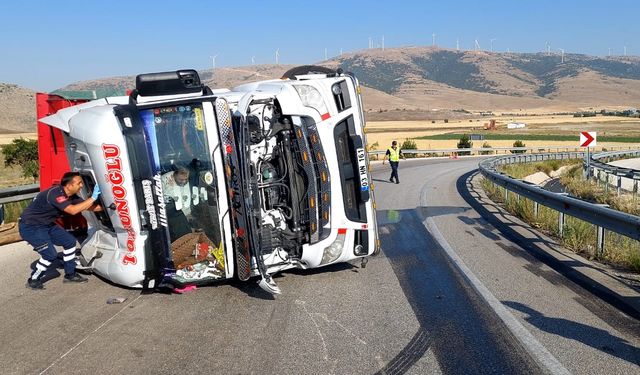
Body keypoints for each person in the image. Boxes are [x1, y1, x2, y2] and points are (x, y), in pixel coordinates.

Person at [19, 172, 102, 290]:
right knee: (50, 255)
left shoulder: (71, 196)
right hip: (31, 227)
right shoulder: (55, 194)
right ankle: (33, 279)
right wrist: (93, 198)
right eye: (79, 183)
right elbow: (73, 210)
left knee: (69, 242)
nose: (81, 186)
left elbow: (88, 207)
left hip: (47, 224)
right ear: (69, 185)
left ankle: (70, 274)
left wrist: (109, 206)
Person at [162, 167, 193, 241]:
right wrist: (173, 187)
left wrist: (188, 214)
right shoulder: (165, 179)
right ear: (175, 175)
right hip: (171, 215)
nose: (184, 181)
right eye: (181, 180)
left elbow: (185, 198)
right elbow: (162, 197)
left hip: (184, 215)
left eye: (186, 179)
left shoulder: (185, 181)